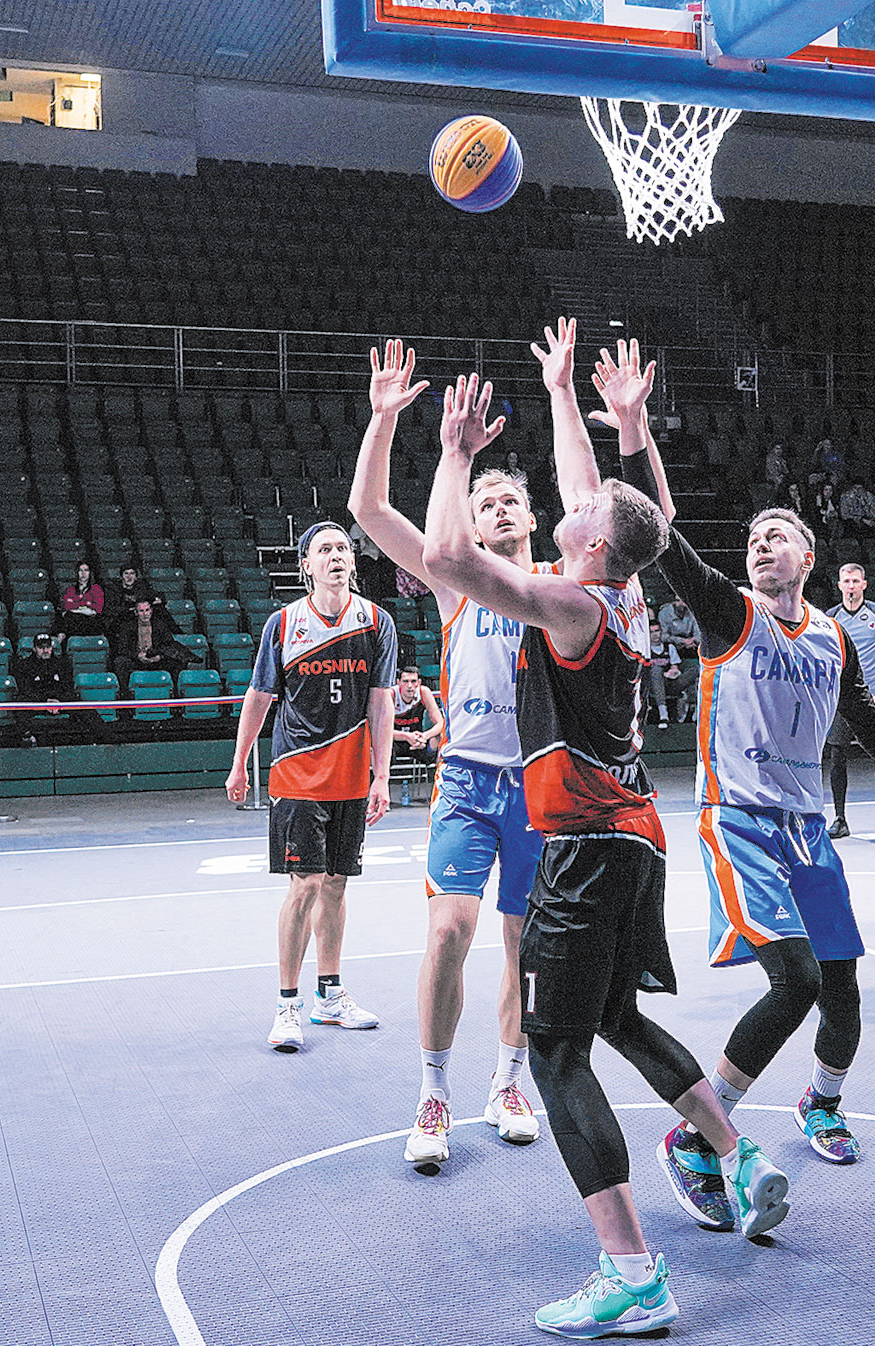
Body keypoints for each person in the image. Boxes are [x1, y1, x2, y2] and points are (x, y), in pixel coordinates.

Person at [593, 342, 875, 1223]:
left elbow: (869, 724)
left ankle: (821, 1102)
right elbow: (661, 542)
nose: (758, 546)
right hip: (739, 820)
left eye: (774, 536)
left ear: (808, 555)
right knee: (796, 981)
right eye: (751, 539)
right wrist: (632, 426)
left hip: (807, 830)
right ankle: (698, 1133)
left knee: (841, 981)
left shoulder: (829, 636)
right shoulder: (728, 613)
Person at [424, 360, 789, 1338]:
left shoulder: (574, 603)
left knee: (554, 1052)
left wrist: (453, 456)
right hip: (634, 837)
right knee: (619, 1015)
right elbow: (607, 499)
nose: (571, 499)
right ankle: (735, 1151)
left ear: (591, 541)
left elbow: (449, 556)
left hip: (585, 847)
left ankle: (630, 1272)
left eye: (582, 508)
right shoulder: (619, 591)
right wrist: (567, 398)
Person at [347, 335, 576, 1171]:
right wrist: (386, 421)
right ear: (470, 526)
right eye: (486, 503)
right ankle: (433, 1092)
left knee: (525, 944)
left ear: (534, 519)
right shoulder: (455, 583)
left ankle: (508, 1082)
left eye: (512, 500)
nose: (501, 509)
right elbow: (370, 511)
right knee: (449, 929)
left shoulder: (560, 587)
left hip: (544, 786)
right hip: (472, 781)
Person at [225, 520, 397, 1053]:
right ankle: (287, 1005)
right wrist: (240, 763)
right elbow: (259, 697)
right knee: (305, 885)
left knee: (337, 884)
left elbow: (381, 702)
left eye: (343, 548)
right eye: (325, 549)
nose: (336, 556)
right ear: (307, 565)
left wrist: (382, 775)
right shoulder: (283, 625)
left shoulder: (376, 621)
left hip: (351, 776)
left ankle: (330, 995)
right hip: (297, 774)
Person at [822, 564, 875, 840]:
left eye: (855, 581)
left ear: (864, 584)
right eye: (846, 581)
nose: (851, 586)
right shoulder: (830, 618)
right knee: (837, 757)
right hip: (841, 700)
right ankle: (840, 819)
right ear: (839, 585)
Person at [9, 632, 101, 742]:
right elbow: (25, 689)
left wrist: (58, 702)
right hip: (37, 703)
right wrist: (45, 701)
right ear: (34, 649)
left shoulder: (62, 663)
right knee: (19, 704)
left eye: (48, 647)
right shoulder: (24, 665)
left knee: (85, 708)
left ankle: (107, 740)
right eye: (41, 648)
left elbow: (68, 687)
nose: (45, 650)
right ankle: (27, 739)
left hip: (60, 703)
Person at [109, 597, 196, 691]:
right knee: (120, 662)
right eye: (141, 611)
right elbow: (122, 648)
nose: (145, 614)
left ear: (151, 611)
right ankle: (125, 694)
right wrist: (137, 655)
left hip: (156, 659)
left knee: (177, 662)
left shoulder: (160, 625)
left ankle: (175, 694)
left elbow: (168, 644)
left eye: (147, 610)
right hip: (137, 660)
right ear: (136, 613)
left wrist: (160, 656)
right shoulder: (127, 627)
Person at [390, 664, 442, 773]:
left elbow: (440, 723)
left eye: (413, 681)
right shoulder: (391, 694)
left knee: (438, 737)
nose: (409, 686)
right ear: (398, 682)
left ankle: (438, 777)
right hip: (394, 741)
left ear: (419, 683)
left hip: (418, 741)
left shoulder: (423, 692)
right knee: (378, 744)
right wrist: (406, 736)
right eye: (405, 681)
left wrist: (424, 736)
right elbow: (381, 731)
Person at [656, 594, 700, 724]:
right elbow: (662, 636)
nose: (682, 604)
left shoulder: (692, 612)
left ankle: (694, 707)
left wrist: (692, 641)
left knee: (697, 669)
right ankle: (666, 711)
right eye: (679, 601)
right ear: (674, 602)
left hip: (691, 650)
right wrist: (682, 641)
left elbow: (698, 634)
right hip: (670, 649)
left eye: (684, 601)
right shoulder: (665, 613)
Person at [58, 561, 105, 641]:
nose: (83, 573)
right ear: (77, 573)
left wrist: (77, 607)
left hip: (90, 622)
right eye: (80, 570)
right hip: (73, 621)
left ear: (90, 573)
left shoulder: (96, 589)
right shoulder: (70, 590)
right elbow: (67, 607)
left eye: (86, 570)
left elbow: (97, 609)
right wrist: (86, 608)